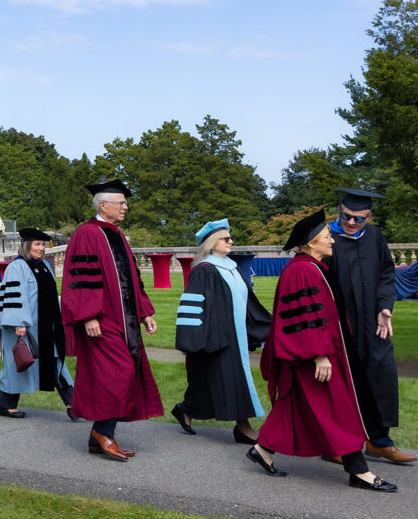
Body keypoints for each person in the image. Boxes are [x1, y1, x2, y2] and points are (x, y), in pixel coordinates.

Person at [246, 211, 396, 492]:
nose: (333, 241)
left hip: (323, 352)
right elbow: (306, 318)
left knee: (295, 404)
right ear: (311, 243)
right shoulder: (303, 270)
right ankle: (358, 470)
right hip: (316, 356)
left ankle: (263, 449)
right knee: (338, 409)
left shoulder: (312, 267)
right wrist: (320, 354)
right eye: (327, 237)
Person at [61, 180, 162, 462]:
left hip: (124, 320)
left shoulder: (115, 234)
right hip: (101, 320)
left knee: (121, 372)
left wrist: (144, 312)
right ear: (103, 205)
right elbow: (80, 277)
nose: (126, 207)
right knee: (119, 373)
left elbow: (132, 278)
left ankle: (100, 436)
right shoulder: (86, 233)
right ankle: (102, 433)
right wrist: (88, 315)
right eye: (121, 203)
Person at [325, 188, 414, 464]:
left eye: (359, 219)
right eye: (347, 216)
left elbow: (388, 273)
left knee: (381, 375)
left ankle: (379, 441)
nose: (351, 223)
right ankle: (338, 445)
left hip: (374, 323)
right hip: (342, 323)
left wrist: (385, 307)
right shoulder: (326, 238)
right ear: (339, 210)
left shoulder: (374, 236)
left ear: (369, 217)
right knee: (344, 381)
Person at [171, 219, 271, 444]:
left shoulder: (232, 268)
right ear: (212, 244)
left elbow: (247, 303)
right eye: (226, 238)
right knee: (233, 379)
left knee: (207, 381)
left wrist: (262, 326)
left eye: (230, 237)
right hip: (216, 336)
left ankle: (185, 409)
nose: (231, 241)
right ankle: (243, 426)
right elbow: (193, 306)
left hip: (236, 335)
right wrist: (196, 340)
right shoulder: (205, 270)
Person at [0, 227, 77, 419]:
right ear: (26, 245)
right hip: (24, 327)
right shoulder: (16, 267)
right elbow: (14, 297)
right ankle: (6, 404)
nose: (41, 248)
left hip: (46, 326)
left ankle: (73, 403)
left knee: (55, 361)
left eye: (43, 244)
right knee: (19, 363)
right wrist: (19, 323)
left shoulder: (45, 266)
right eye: (37, 244)